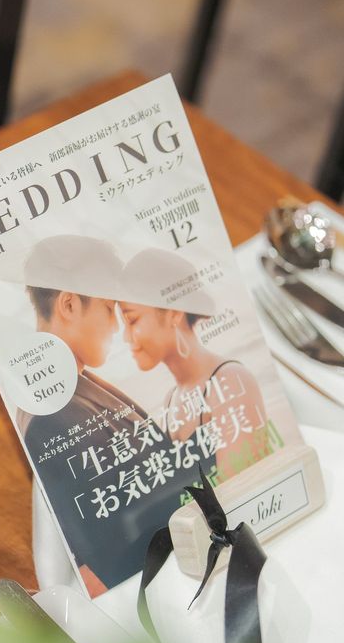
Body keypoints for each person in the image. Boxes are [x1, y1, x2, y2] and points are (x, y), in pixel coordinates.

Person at [15, 236, 180, 595]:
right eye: (108, 309)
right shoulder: (53, 418)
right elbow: (102, 563)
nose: (117, 328)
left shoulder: (74, 387)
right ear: (69, 305)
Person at [118, 248, 271, 482]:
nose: (126, 337)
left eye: (132, 320)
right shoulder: (171, 400)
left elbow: (251, 488)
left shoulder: (230, 381)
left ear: (173, 313)